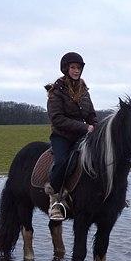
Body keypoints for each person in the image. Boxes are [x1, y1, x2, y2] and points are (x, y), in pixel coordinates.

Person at [44, 51, 97, 221]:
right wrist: (84, 127)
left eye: (79, 68)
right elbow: (57, 119)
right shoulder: (56, 91)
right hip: (63, 136)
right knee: (61, 162)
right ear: (66, 69)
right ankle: (54, 200)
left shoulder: (84, 90)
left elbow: (91, 114)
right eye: (73, 67)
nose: (76, 71)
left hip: (82, 135)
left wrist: (95, 125)